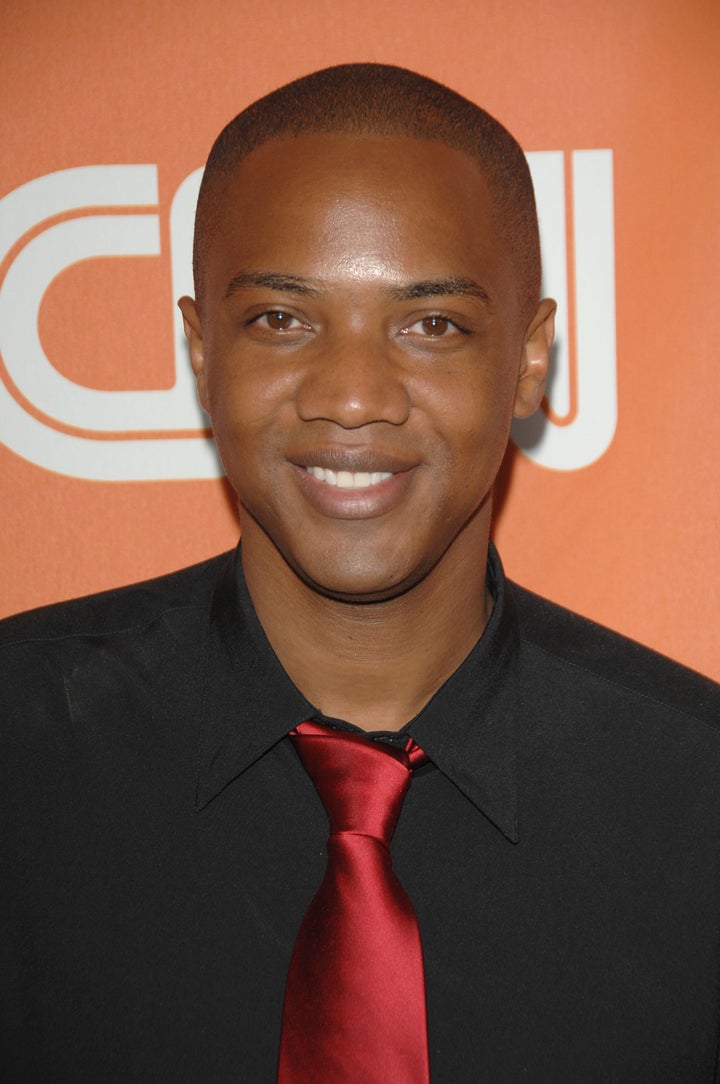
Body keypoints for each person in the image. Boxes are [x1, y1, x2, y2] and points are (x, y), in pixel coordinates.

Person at [1, 63, 719, 1083]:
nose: (351, 397)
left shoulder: (699, 805)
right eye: (282, 319)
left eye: (432, 324)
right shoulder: (20, 757)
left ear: (527, 357)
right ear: (202, 352)